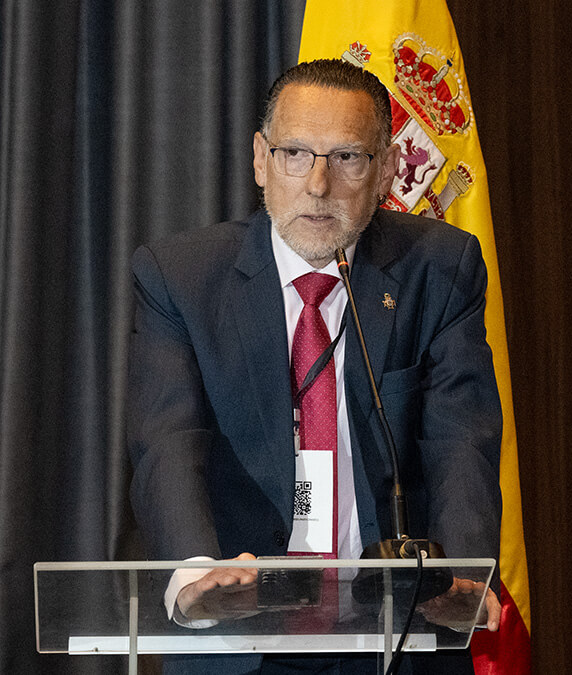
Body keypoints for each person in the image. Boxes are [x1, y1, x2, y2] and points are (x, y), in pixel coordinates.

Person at [127, 58, 502, 674]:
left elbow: (461, 438)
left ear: (384, 169)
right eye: (295, 154)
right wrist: (197, 572)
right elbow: (167, 442)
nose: (318, 185)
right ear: (260, 160)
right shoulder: (181, 277)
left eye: (348, 158)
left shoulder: (439, 269)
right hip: (236, 632)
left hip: (393, 634)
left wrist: (460, 574)